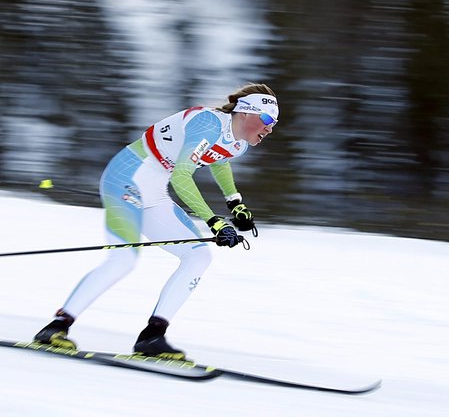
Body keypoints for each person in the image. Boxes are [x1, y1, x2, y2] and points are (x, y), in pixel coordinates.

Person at [34, 83, 279, 360]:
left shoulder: (239, 144)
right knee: (123, 260)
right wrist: (213, 221)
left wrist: (235, 203)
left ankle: (152, 337)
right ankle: (56, 327)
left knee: (198, 257)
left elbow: (220, 160)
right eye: (267, 120)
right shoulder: (208, 123)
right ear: (246, 113)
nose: (270, 128)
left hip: (154, 191)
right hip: (126, 178)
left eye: (275, 123)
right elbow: (181, 177)